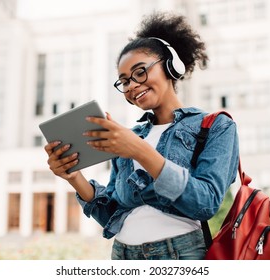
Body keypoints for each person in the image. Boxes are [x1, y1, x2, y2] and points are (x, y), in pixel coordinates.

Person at [44, 11, 239, 260]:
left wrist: (139, 150)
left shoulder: (216, 126)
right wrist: (74, 178)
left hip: (179, 255)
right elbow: (112, 213)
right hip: (123, 255)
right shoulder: (128, 137)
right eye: (124, 82)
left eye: (139, 72)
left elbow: (205, 203)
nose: (132, 86)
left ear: (170, 65)